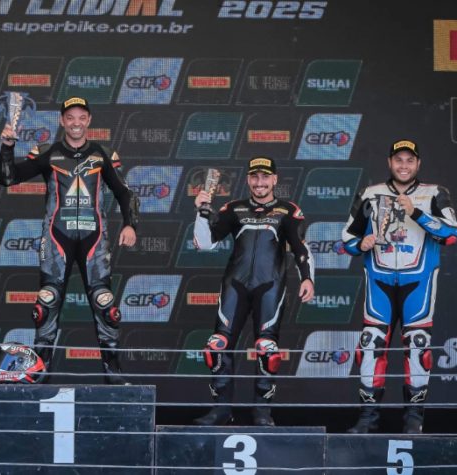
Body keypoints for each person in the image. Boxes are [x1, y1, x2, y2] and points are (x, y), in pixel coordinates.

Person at [0, 96, 139, 384]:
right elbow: (8, 178)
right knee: (46, 305)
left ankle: (115, 378)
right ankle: (39, 376)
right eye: (70, 117)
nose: (76, 123)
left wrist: (130, 225)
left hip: (93, 238)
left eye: (81, 117)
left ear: (89, 120)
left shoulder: (102, 154)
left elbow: (125, 192)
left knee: (106, 306)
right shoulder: (48, 152)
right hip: (56, 237)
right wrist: (7, 147)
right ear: (62, 121)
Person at [342, 140, 457, 434]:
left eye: (409, 160)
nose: (403, 166)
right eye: (398, 160)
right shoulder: (370, 194)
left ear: (418, 164)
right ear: (389, 162)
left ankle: (414, 421)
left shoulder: (435, 193)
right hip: (379, 281)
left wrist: (416, 213)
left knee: (418, 345)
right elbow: (346, 240)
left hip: (417, 282)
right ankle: (367, 419)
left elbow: (451, 233)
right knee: (370, 344)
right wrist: (361, 243)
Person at [193, 157, 314, 426]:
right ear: (248, 179)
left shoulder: (288, 210)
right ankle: (221, 410)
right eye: (255, 177)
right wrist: (201, 212)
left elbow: (300, 248)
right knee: (217, 346)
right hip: (235, 285)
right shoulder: (233, 208)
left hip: (270, 286)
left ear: (275, 179)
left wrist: (307, 278)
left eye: (265, 177)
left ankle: (262, 412)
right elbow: (205, 243)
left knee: (267, 350)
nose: (260, 183)